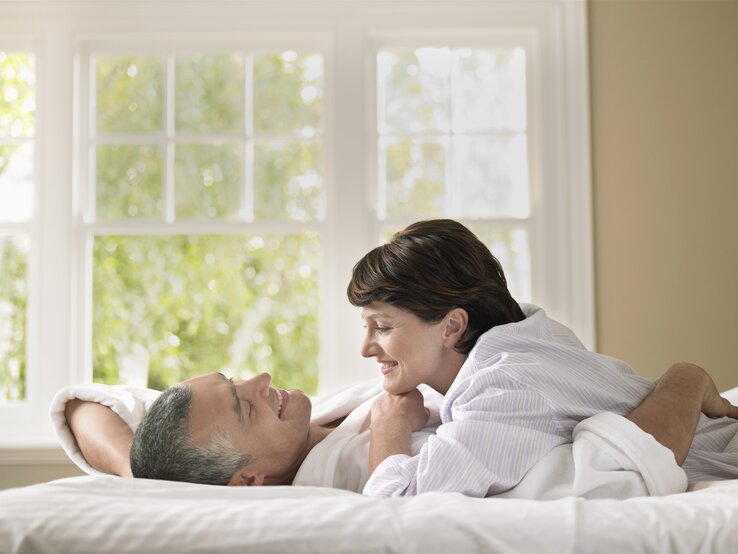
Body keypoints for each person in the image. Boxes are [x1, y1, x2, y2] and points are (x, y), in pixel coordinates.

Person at [347, 219, 738, 497]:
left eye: (382, 327)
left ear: (452, 327)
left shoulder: (504, 385)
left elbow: (395, 501)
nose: (366, 348)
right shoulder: (531, 333)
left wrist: (391, 422)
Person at [62, 364, 736, 498]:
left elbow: (84, 407)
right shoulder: (368, 470)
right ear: (248, 480)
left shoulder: (306, 427)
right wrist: (684, 380)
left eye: (237, 381)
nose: (263, 379)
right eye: (244, 406)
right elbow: (611, 474)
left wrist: (145, 478)